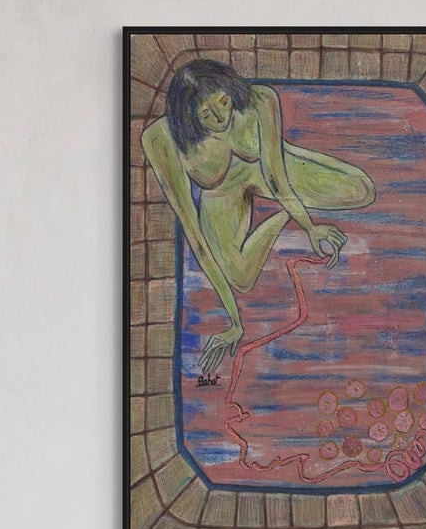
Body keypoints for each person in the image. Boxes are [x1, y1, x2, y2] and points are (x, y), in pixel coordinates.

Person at [141, 60, 376, 377]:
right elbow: (193, 232)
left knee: (361, 190)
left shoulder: (260, 99)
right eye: (206, 114)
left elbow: (277, 179)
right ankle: (279, 216)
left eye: (223, 102)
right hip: (220, 194)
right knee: (240, 277)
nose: (221, 118)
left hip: (265, 171)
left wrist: (310, 227)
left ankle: (288, 205)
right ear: (188, 117)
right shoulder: (162, 139)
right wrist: (234, 322)